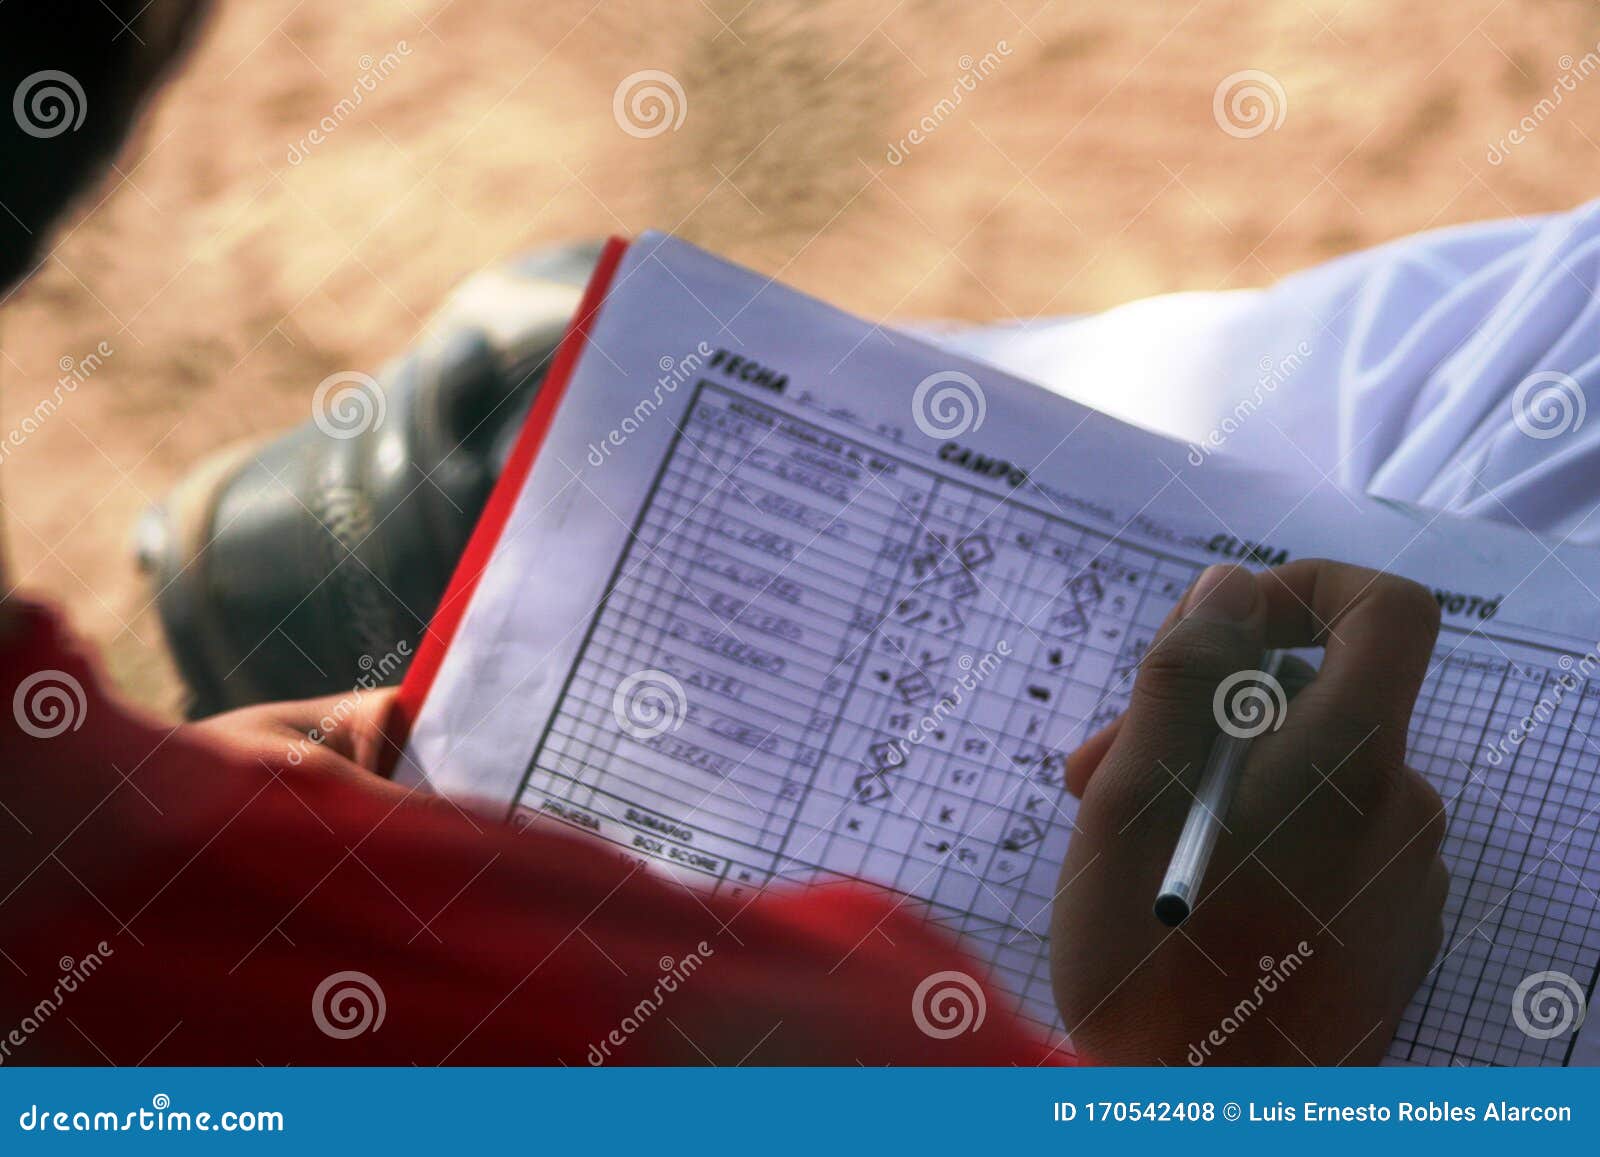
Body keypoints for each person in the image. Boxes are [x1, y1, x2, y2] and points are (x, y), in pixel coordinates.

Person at [0, 1, 1448, 1065]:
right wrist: (1221, 1055)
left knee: (511, 424)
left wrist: (189, 828)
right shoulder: (793, 1036)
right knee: (505, 431)